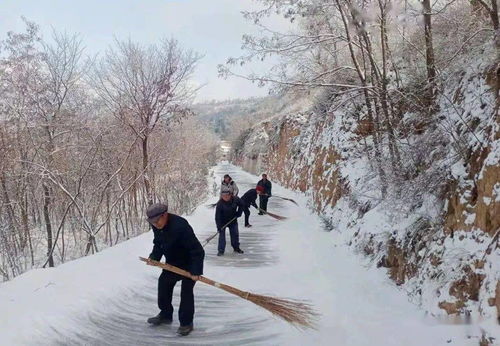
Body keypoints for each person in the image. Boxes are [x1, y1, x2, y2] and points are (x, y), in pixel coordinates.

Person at [145, 203, 205, 337]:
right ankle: (166, 314)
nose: (155, 224)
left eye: (156, 221)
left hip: (189, 263)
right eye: (152, 222)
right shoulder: (157, 225)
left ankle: (186, 323)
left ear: (164, 215)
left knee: (186, 292)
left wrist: (196, 271)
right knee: (164, 284)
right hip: (172, 263)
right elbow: (158, 243)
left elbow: (197, 250)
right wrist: (154, 257)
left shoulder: (181, 226)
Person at [215, 189, 244, 256]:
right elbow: (217, 216)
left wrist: (239, 213)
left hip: (233, 220)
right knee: (222, 236)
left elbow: (242, 204)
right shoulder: (220, 204)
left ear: (230, 195)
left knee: (235, 235)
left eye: (226, 196)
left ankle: (236, 248)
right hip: (223, 222)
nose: (225, 197)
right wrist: (219, 226)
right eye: (223, 196)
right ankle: (221, 250)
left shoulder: (236, 199)